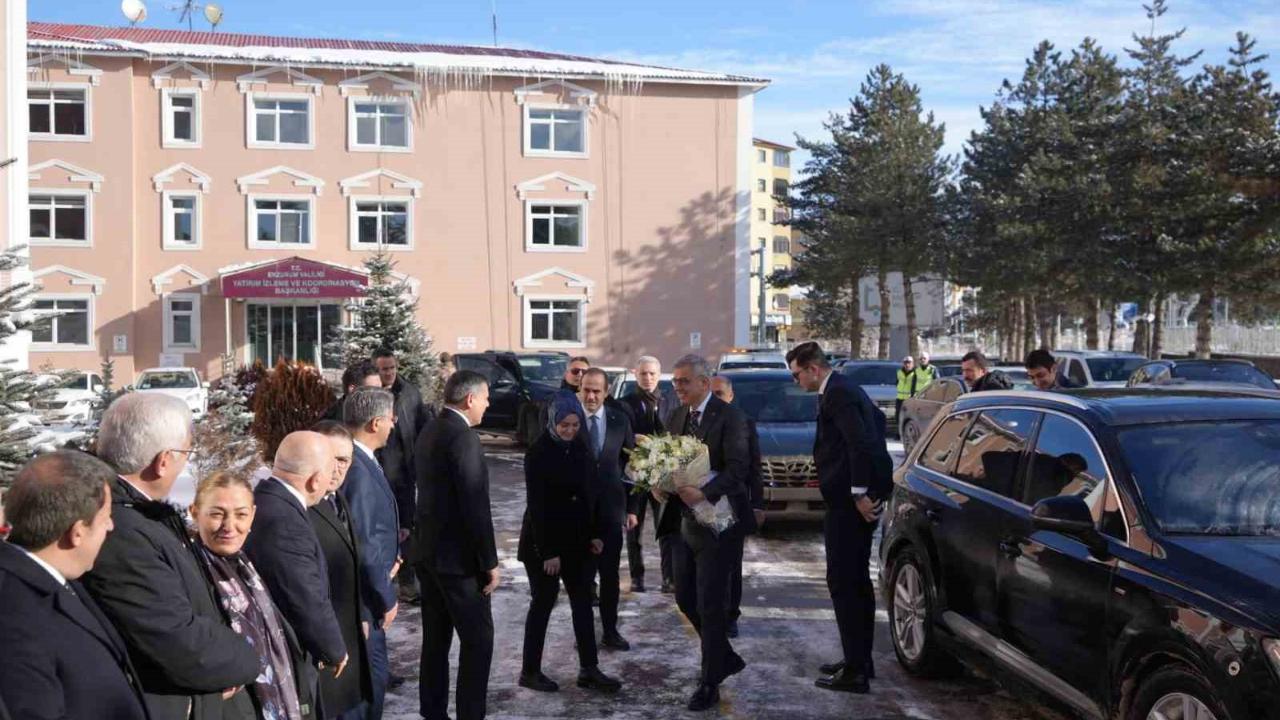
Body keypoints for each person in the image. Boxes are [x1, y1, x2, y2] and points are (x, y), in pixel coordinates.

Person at [84, 393, 259, 720]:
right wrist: (245, 657)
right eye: (186, 454)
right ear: (164, 460)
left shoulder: (139, 513)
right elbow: (175, 640)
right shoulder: (121, 529)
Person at [0, 451, 149, 720]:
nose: (111, 527)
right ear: (77, 532)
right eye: (106, 518)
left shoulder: (61, 580)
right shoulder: (14, 613)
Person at [787, 341, 894, 694]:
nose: (796, 381)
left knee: (845, 583)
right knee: (854, 582)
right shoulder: (842, 388)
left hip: (850, 506)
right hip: (850, 501)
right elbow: (876, 423)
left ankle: (856, 671)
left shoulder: (839, 393)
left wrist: (860, 493)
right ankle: (858, 659)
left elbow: (860, 442)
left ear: (812, 368)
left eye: (797, 374)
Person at [660, 354, 751, 712]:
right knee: (685, 599)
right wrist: (661, 484)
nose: (677, 388)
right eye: (675, 382)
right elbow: (668, 459)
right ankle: (723, 657)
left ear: (704, 382)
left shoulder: (731, 417)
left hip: (719, 524)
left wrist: (707, 492)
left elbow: (739, 469)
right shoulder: (678, 416)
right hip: (685, 523)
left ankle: (709, 681)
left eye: (683, 382)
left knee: (711, 606)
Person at [190, 471, 317, 720]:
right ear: (194, 513)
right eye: (217, 514)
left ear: (253, 515)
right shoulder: (189, 571)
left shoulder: (250, 567)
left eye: (241, 515)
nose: (229, 526)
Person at [517, 394, 622, 694]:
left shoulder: (580, 447)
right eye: (564, 424)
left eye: (575, 425)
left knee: (582, 604)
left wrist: (597, 533)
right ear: (553, 421)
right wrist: (548, 552)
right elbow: (538, 506)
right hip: (543, 543)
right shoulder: (538, 453)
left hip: (577, 541)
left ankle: (589, 669)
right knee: (543, 603)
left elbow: (592, 493)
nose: (570, 430)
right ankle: (530, 671)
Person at [411, 370, 499, 720]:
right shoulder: (462, 437)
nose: (489, 404)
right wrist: (488, 561)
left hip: (429, 554)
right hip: (459, 563)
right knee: (478, 643)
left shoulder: (431, 428)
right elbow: (474, 502)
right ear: (470, 399)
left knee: (435, 642)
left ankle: (433, 712)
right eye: (487, 397)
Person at [243, 432, 349, 692]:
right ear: (315, 480)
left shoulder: (268, 499)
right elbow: (303, 593)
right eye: (328, 473)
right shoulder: (285, 520)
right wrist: (333, 648)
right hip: (288, 654)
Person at [341, 387, 403, 719]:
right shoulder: (357, 468)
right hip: (366, 602)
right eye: (391, 419)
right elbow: (363, 540)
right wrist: (384, 597)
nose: (395, 424)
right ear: (376, 423)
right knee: (369, 688)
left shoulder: (363, 460)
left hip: (369, 592)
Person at [308, 421, 373, 720]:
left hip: (350, 636)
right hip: (325, 652)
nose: (336, 468)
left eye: (343, 460)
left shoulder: (338, 498)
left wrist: (362, 612)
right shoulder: (303, 509)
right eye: (329, 459)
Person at [578, 367, 635, 651]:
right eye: (586, 389)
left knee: (610, 577)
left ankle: (610, 630)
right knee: (582, 579)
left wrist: (633, 507)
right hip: (578, 513)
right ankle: (584, 634)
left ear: (606, 392)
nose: (590, 396)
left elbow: (633, 466)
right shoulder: (569, 420)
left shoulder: (619, 420)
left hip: (612, 512)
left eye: (596, 391)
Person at [372, 349, 432, 607]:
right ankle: (381, 583)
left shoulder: (409, 393)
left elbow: (422, 428)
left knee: (407, 527)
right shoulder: (369, 394)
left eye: (392, 367)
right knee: (379, 529)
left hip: (404, 473)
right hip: (377, 473)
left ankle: (407, 583)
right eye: (383, 369)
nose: (389, 373)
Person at [709, 375, 765, 639]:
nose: (716, 399)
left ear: (730, 396)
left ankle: (731, 615)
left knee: (732, 563)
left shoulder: (742, 421)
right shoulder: (700, 422)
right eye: (712, 394)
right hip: (704, 503)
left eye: (720, 394)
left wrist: (757, 503)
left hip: (733, 502)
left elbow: (754, 467)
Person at [620, 355, 675, 594]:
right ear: (636, 374)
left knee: (665, 529)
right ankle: (637, 577)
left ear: (659, 374)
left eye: (652, 373)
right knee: (634, 530)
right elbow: (623, 438)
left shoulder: (671, 402)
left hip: (663, 478)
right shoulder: (624, 404)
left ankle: (669, 578)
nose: (648, 378)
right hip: (636, 477)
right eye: (643, 373)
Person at [894, 355, 917, 420]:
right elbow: (897, 383)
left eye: (909, 363)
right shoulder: (899, 372)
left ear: (912, 364)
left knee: (908, 417)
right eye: (905, 363)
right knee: (898, 416)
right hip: (899, 398)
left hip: (909, 399)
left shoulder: (915, 373)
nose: (907, 365)